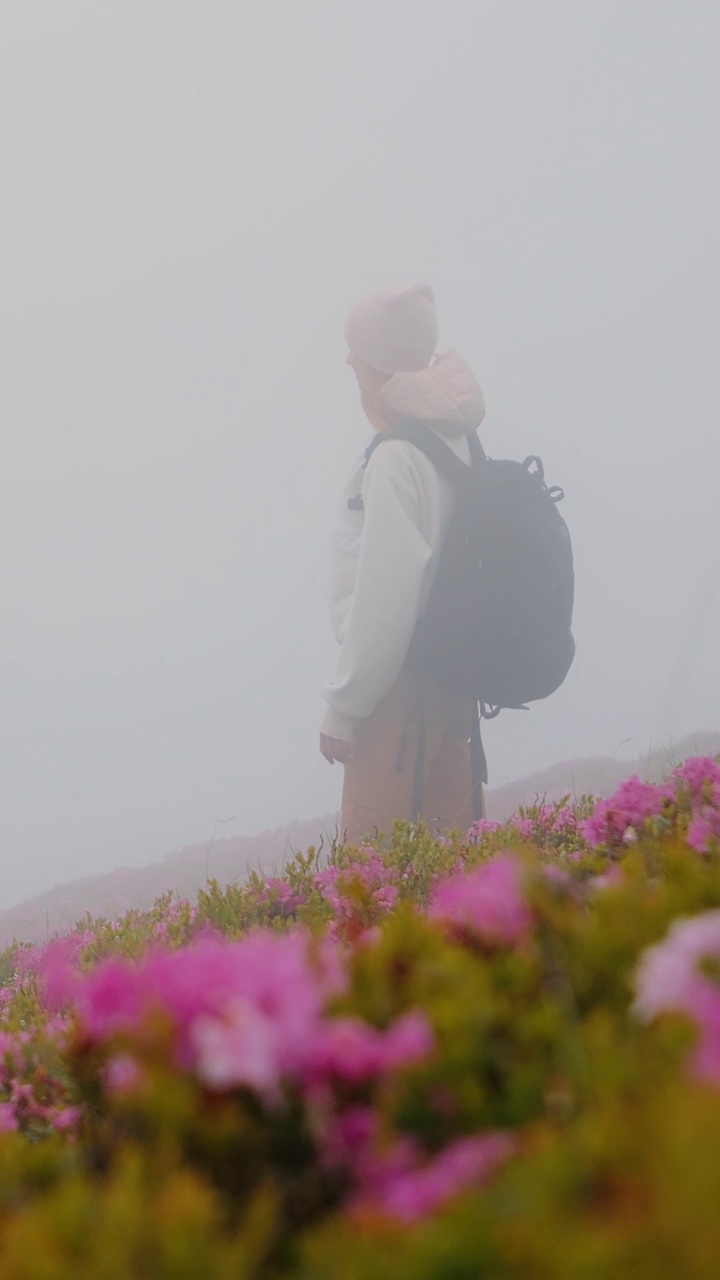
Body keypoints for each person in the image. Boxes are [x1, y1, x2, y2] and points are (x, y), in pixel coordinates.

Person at [320, 284, 487, 843]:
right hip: (455, 686)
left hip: (397, 700)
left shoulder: (396, 459)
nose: (348, 359)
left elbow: (386, 600)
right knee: (453, 880)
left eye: (357, 349)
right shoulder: (458, 441)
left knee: (368, 892)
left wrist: (345, 706)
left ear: (382, 361)